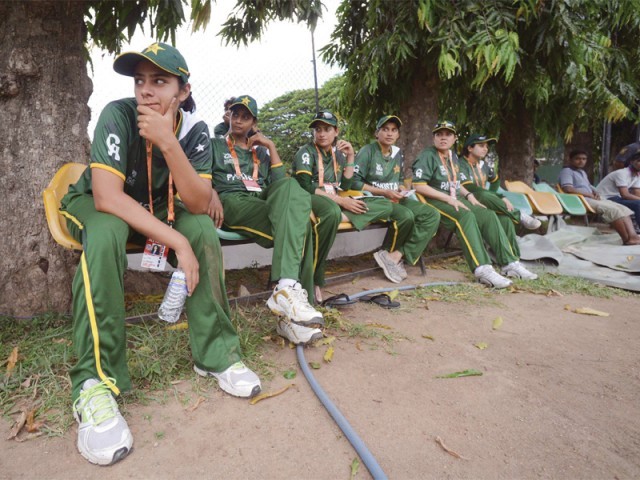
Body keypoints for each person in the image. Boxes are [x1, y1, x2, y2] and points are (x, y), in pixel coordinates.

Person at [60, 43, 260, 467]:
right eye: (140, 81)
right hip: (100, 206)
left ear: (183, 91)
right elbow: (108, 197)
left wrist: (169, 143)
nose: (146, 92)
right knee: (107, 233)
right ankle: (94, 383)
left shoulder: (196, 130)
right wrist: (177, 243)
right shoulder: (118, 115)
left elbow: (198, 200)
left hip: (157, 208)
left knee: (203, 229)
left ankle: (217, 355)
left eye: (160, 81)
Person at [210, 95, 324, 345]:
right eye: (235, 114)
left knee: (294, 190)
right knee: (299, 226)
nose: (239, 120)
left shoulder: (260, 151)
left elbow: (281, 184)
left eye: (245, 116)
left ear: (254, 121)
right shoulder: (215, 145)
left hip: (260, 200)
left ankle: (288, 301)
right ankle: (289, 302)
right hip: (232, 201)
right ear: (228, 115)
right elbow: (199, 175)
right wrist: (212, 193)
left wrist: (271, 147)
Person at [411, 121, 538, 288]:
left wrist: (469, 195)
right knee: (466, 216)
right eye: (439, 134)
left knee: (488, 214)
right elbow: (418, 186)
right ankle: (482, 269)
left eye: (448, 134)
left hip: (455, 198)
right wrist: (449, 199)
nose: (443, 138)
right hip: (433, 201)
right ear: (434, 137)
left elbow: (456, 183)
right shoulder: (427, 155)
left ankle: (510, 264)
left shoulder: (453, 156)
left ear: (455, 138)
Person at [292, 111, 393, 297]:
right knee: (330, 212)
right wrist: (340, 201)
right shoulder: (305, 152)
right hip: (310, 197)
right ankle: (315, 279)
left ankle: (340, 215)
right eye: (318, 129)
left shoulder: (337, 154)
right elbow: (305, 185)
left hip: (335, 200)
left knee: (385, 205)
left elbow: (345, 185)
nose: (321, 134)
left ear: (336, 131)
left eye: (327, 129)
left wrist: (351, 157)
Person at [351, 115, 441, 282]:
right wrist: (383, 192)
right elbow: (354, 182)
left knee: (432, 215)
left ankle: (394, 256)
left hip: (395, 197)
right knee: (406, 216)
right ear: (376, 133)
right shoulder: (367, 151)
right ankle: (390, 258)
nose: (389, 134)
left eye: (393, 130)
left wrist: (401, 188)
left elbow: (398, 179)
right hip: (375, 199)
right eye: (385, 129)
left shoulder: (397, 153)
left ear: (398, 134)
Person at [459, 133, 542, 233]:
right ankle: (520, 215)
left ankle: (510, 249)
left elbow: (495, 181)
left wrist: (492, 196)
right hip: (465, 201)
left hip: (483, 200)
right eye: (481, 146)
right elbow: (468, 187)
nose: (485, 149)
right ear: (470, 148)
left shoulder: (483, 165)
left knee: (506, 221)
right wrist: (498, 196)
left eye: (487, 146)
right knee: (483, 194)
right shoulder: (460, 164)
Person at [559, 149, 640, 244]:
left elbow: (588, 186)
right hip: (580, 199)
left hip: (591, 198)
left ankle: (632, 237)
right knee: (613, 210)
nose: (581, 161)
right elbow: (568, 189)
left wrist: (594, 191)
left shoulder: (582, 172)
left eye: (584, 159)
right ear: (570, 159)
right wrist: (589, 194)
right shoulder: (567, 171)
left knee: (622, 209)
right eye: (578, 159)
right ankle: (626, 238)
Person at [595, 142, 640, 231]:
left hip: (617, 197)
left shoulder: (637, 175)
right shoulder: (622, 173)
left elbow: (637, 192)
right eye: (639, 161)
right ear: (631, 162)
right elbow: (625, 195)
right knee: (638, 204)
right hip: (605, 197)